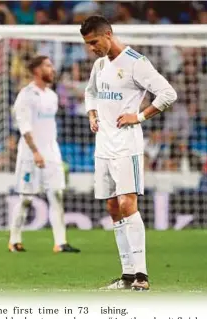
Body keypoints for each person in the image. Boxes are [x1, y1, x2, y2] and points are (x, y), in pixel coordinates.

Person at [80, 15, 177, 291]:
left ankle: (142, 276)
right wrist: (92, 113)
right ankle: (126, 275)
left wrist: (140, 116)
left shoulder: (137, 62)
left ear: (108, 34)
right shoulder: (99, 65)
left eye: (94, 42)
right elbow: (90, 92)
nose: (91, 48)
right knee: (112, 207)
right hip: (103, 146)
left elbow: (168, 94)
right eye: (87, 44)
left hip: (127, 146)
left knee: (127, 203)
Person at [9, 55, 80, 254]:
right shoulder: (26, 95)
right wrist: (35, 152)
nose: (53, 69)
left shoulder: (52, 95)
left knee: (57, 194)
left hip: (51, 152)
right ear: (37, 70)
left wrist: (50, 152)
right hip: (30, 154)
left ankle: (61, 242)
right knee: (26, 198)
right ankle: (14, 240)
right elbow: (25, 128)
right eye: (48, 66)